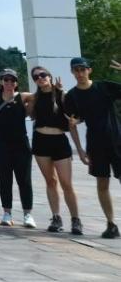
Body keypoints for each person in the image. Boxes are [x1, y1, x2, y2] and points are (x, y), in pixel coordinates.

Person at [64, 56, 121, 239]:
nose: (80, 73)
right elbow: (73, 123)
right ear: (72, 72)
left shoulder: (104, 86)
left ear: (89, 70)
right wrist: (80, 150)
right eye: (76, 70)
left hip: (117, 140)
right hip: (96, 145)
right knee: (102, 183)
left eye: (83, 69)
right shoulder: (72, 96)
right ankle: (111, 224)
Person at [27, 64, 83, 234]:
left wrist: (80, 149)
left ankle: (76, 219)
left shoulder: (61, 94)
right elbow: (28, 114)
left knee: (66, 183)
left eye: (43, 74)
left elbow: (73, 121)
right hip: (40, 141)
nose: (40, 78)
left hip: (59, 141)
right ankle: (56, 217)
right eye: (36, 77)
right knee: (50, 181)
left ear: (49, 75)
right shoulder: (35, 97)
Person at [0, 68, 34, 228]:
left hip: (20, 144)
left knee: (24, 180)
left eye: (12, 80)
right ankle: (7, 213)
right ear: (1, 81)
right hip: (0, 143)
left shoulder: (22, 97)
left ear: (16, 83)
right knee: (4, 179)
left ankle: (27, 214)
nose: (9, 83)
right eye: (6, 80)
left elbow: (40, 94)